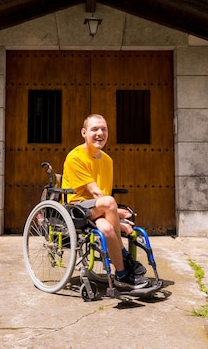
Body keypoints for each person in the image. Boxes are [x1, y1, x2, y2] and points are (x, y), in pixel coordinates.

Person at [62, 114, 148, 290]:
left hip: (97, 208)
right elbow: (96, 192)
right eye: (94, 129)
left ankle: (122, 275)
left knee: (108, 230)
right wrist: (116, 212)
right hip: (76, 208)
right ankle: (125, 256)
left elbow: (103, 197)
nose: (100, 133)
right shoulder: (75, 157)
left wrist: (115, 219)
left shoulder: (108, 160)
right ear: (84, 133)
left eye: (104, 129)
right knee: (109, 202)